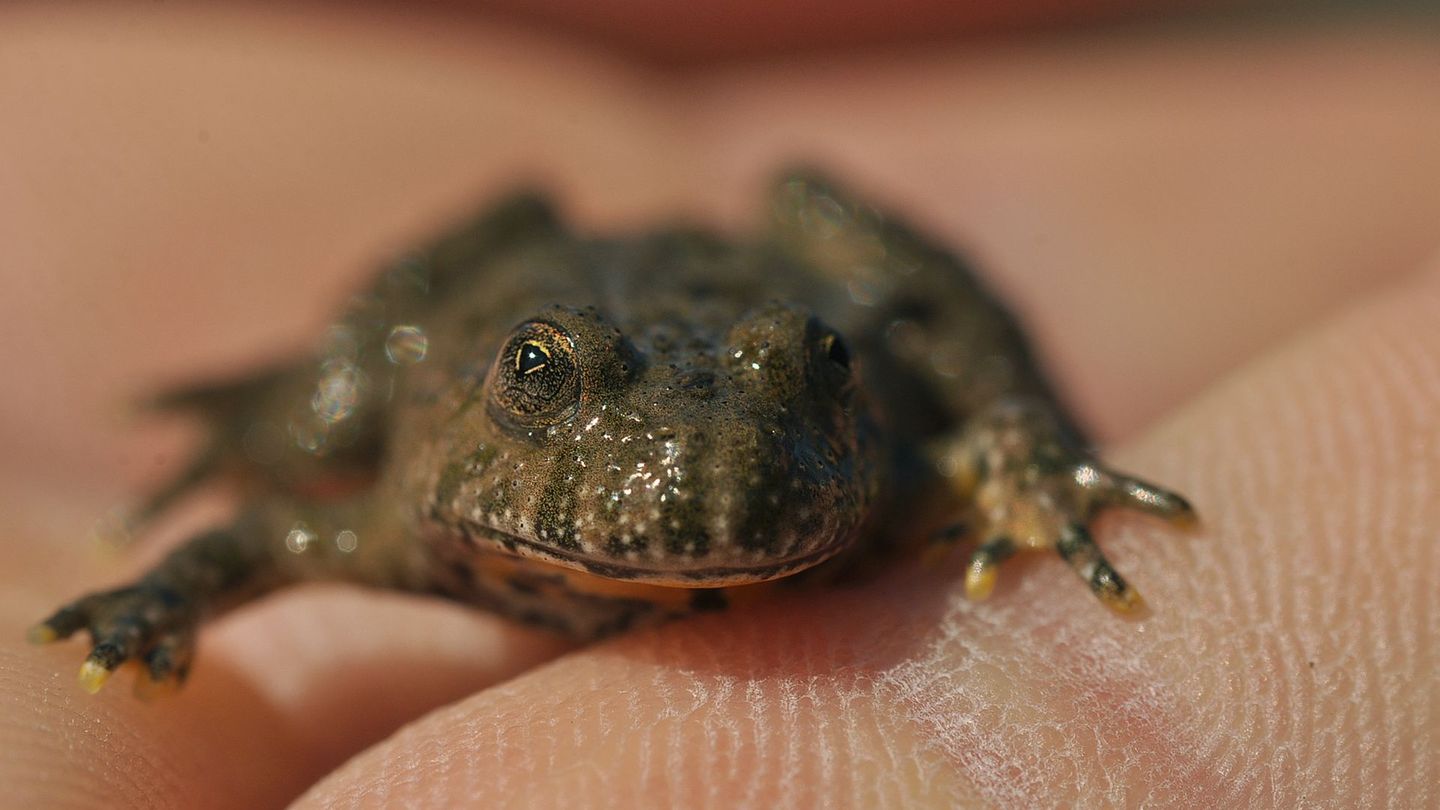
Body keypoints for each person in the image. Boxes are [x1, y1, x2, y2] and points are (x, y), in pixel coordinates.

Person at [1, 3, 1435, 806]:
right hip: (536, 283)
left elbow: (965, 420)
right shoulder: (403, 513)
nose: (694, 485)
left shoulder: (885, 467)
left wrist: (1038, 452)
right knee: (320, 415)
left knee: (845, 284)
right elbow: (262, 542)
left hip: (752, 285)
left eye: (804, 386)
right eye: (546, 392)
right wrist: (153, 608)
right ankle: (337, 390)